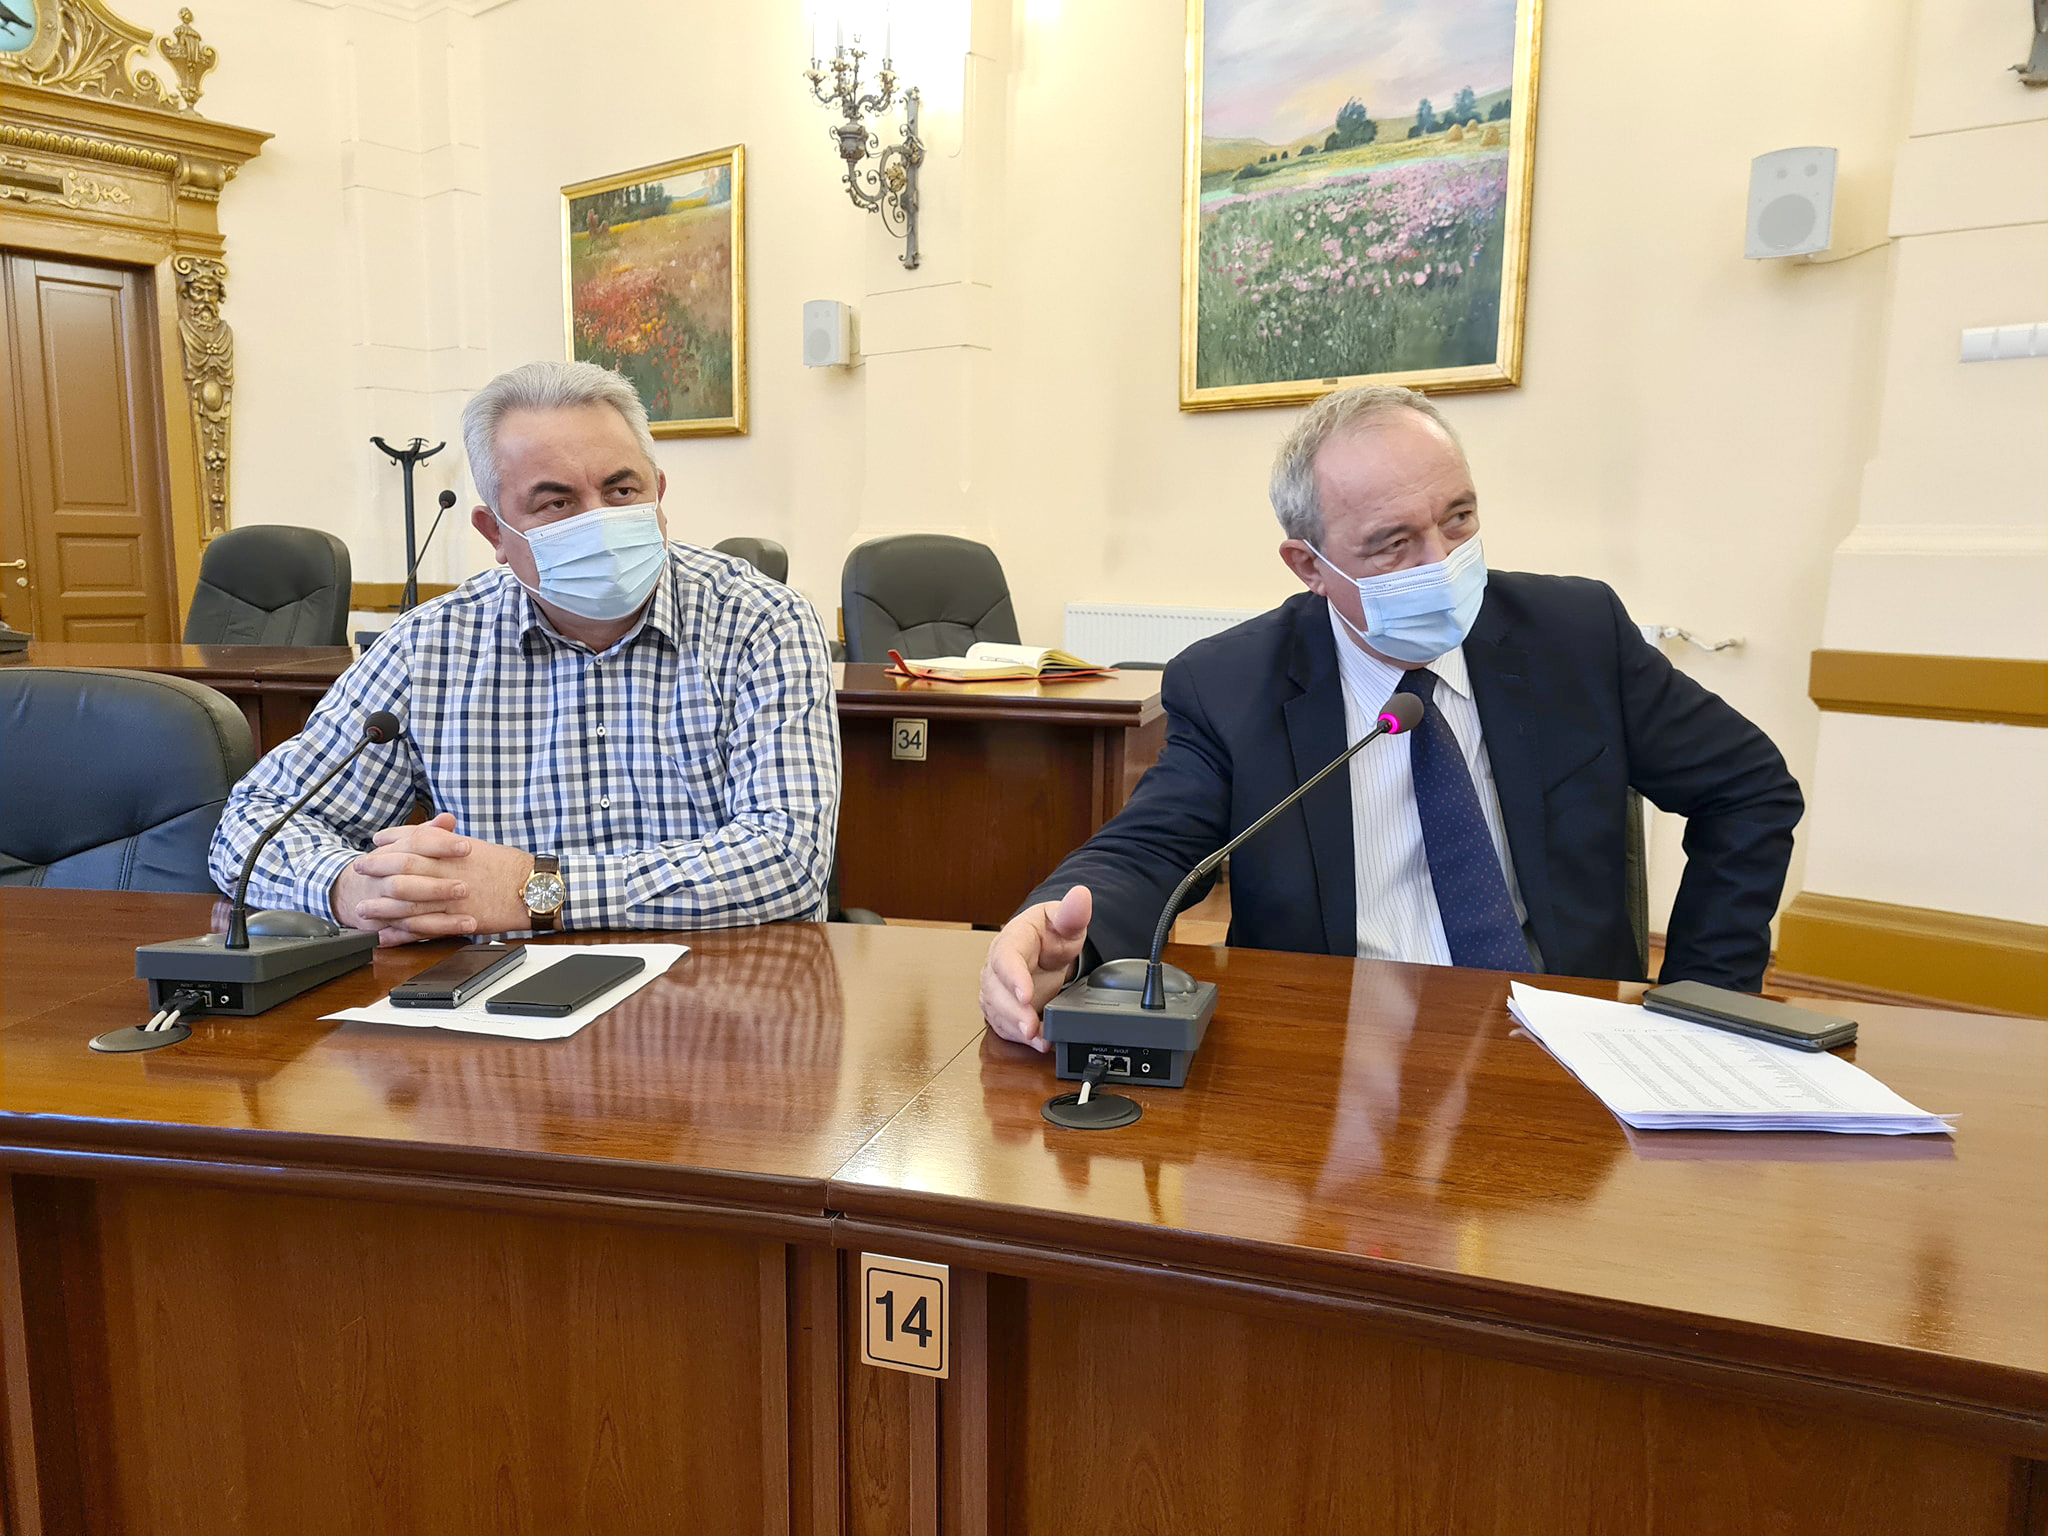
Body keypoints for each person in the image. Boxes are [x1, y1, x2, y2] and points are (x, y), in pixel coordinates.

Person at [980, 385, 1802, 1050]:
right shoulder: (1232, 683)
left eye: (1458, 518)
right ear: (1309, 565)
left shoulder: (1575, 636)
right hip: (1334, 1053)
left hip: (1568, 1043)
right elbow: (1151, 848)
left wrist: (1703, 1004)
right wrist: (1052, 929)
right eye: (1392, 543)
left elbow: (1750, 789)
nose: (1441, 563)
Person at [209, 360, 840, 943]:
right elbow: (253, 825)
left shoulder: (761, 622)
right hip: (500, 1001)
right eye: (556, 503)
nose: (599, 521)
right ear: (495, 533)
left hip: (722, 990)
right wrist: (351, 887)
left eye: (622, 491)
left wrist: (534, 890)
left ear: (659, 494)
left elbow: (789, 858)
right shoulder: (430, 647)